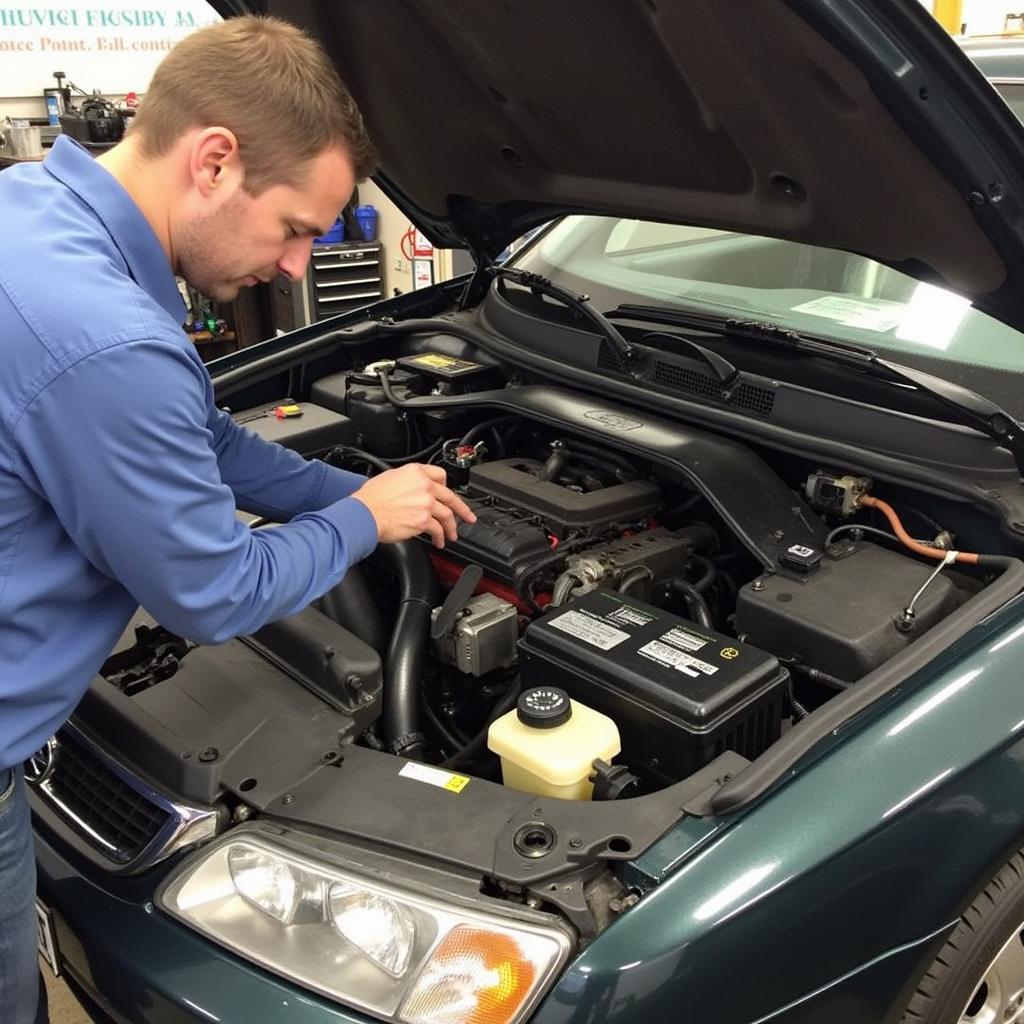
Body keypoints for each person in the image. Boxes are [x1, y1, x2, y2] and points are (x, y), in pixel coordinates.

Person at [0, 16, 475, 1023]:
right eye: (296, 226)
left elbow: (206, 440)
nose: (300, 266)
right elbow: (212, 592)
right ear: (214, 162)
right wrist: (364, 525)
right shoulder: (108, 339)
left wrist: (348, 492)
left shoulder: (35, 210)